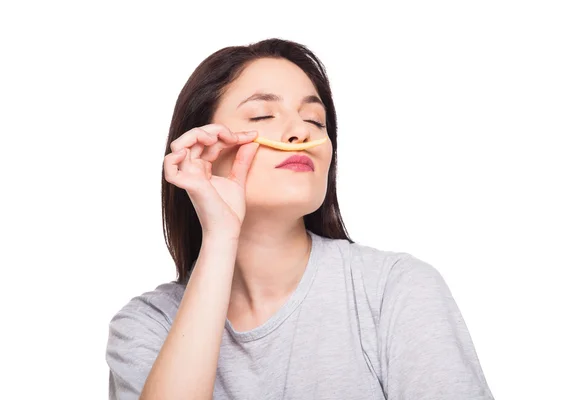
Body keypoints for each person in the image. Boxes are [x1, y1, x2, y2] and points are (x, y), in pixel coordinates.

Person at [105, 38, 495, 400]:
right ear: (203, 146)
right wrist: (221, 234)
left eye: (315, 121)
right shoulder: (145, 326)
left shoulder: (394, 288)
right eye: (262, 115)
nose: (298, 133)